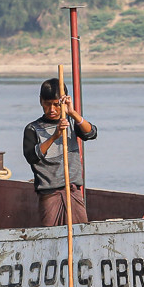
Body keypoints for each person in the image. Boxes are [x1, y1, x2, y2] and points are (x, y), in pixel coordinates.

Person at [22, 78, 97, 226]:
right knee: (51, 237)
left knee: (80, 234)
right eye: (47, 104)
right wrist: (55, 136)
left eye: (56, 105)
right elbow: (32, 157)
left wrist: (72, 112)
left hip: (73, 191)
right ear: (40, 101)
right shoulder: (33, 128)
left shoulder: (70, 122)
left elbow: (91, 133)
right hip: (49, 194)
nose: (52, 110)